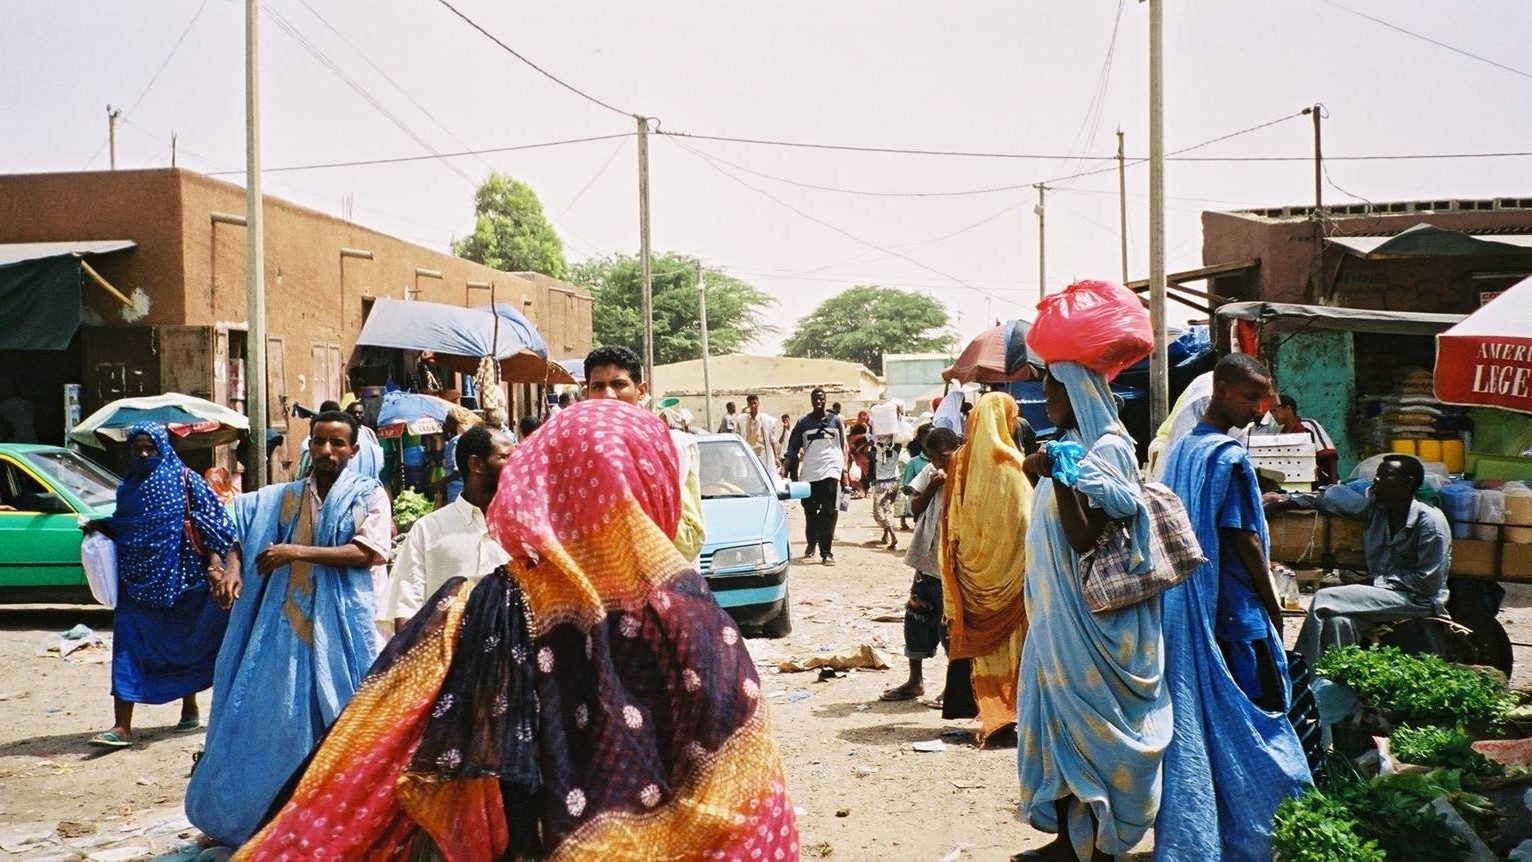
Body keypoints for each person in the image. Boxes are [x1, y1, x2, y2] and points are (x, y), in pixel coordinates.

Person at [237, 399, 799, 860]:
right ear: (653, 480)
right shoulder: (695, 615)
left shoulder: (485, 603)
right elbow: (748, 795)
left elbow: (372, 749)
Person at [185, 409, 391, 848]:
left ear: (353, 450)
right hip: (287, 629)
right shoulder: (284, 497)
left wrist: (295, 551)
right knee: (274, 721)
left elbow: (366, 552)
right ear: (309, 445)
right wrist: (232, 570)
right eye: (319, 441)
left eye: (338, 443)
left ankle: (341, 821)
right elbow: (244, 532)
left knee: (344, 720)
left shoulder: (367, 496)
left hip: (348, 628)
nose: (327, 451)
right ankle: (258, 816)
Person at [1156, 353, 1311, 860]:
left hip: (1193, 609)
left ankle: (1214, 829)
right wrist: (1275, 609)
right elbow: (1245, 540)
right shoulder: (1228, 456)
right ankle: (1267, 830)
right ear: (1220, 389)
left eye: (1264, 397)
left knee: (1210, 721)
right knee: (1259, 720)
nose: (1260, 408)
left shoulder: (1183, 450)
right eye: (1250, 396)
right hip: (1238, 616)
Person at [1016, 363, 1171, 862]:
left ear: (1077, 393)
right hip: (1056, 619)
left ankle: (1103, 846)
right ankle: (1068, 841)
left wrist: (1059, 473)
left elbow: (1083, 535)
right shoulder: (1068, 445)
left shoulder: (1107, 450)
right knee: (1056, 722)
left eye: (1051, 394)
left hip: (1096, 624)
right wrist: (1042, 466)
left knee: (1096, 728)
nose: (1046, 405)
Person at [80, 423, 237, 749]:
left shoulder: (186, 480)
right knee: (129, 646)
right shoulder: (129, 487)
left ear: (163, 448)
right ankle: (121, 726)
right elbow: (127, 525)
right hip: (135, 584)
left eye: (149, 447)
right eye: (136, 448)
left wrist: (215, 565)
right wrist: (102, 527)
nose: (142, 454)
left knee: (184, 644)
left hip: (184, 579)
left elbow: (213, 524)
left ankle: (189, 706)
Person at [1268, 453, 1453, 667]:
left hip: (1417, 600)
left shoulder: (1431, 523)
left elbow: (1427, 584)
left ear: (1408, 483)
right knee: (1339, 622)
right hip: (1387, 594)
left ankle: (1296, 671)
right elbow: (1329, 500)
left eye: (1385, 476)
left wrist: (1375, 583)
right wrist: (1285, 501)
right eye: (1377, 475)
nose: (1376, 480)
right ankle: (1333, 681)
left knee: (1323, 598)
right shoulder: (1377, 509)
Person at [939, 392, 1032, 746]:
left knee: (982, 652)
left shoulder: (960, 461)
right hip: (1010, 576)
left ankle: (984, 709)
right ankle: (1007, 712)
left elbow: (950, 522)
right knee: (1010, 646)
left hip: (969, 574)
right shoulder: (1012, 464)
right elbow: (1026, 521)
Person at [584, 344, 705, 562]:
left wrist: (633, 502)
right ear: (586, 394)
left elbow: (691, 540)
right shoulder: (576, 453)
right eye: (598, 386)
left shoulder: (676, 447)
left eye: (619, 384)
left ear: (641, 391)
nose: (608, 395)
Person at [386, 425, 514, 631]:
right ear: (476, 465)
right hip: (446, 658)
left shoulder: (524, 529)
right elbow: (406, 609)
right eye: (506, 457)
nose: (517, 465)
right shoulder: (428, 530)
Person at [882, 426, 960, 703]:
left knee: (951, 629)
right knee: (915, 620)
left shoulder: (968, 472)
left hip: (953, 566)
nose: (939, 463)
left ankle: (955, 686)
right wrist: (934, 484)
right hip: (927, 561)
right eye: (933, 458)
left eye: (943, 457)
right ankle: (915, 681)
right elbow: (915, 507)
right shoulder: (931, 472)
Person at [782, 387, 850, 566]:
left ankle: (826, 552)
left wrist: (844, 472)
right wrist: (784, 468)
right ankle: (812, 542)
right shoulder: (803, 423)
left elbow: (843, 448)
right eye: (815, 399)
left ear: (826, 400)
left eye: (821, 399)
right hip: (811, 472)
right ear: (811, 401)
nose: (818, 401)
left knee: (828, 511)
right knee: (810, 511)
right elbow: (792, 448)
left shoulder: (835, 421)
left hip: (831, 470)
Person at [1267, 392, 1340, 486]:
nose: (1273, 416)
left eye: (1275, 411)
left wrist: (1333, 483)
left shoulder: (1309, 425)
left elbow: (1329, 454)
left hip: (1318, 481)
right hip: (1291, 481)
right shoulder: (1279, 432)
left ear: (1288, 409)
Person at [869, 434, 903, 550]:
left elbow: (867, 454)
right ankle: (886, 534)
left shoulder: (875, 451)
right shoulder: (896, 449)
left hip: (882, 483)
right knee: (888, 508)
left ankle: (893, 535)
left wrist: (870, 444)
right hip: (894, 482)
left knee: (880, 511)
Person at [897, 423, 932, 531]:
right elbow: (906, 485)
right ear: (921, 439)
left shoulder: (945, 460)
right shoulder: (914, 462)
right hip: (921, 507)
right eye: (928, 437)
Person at [740, 393, 781, 474]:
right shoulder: (743, 419)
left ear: (758, 403)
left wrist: (776, 457)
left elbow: (772, 439)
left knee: (763, 475)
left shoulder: (765, 420)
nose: (753, 406)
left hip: (762, 455)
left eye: (755, 403)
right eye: (750, 404)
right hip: (749, 455)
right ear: (748, 405)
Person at [847, 410, 874, 498]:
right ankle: (859, 490)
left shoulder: (867, 427)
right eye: (863, 416)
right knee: (858, 472)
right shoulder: (856, 427)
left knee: (865, 472)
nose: (865, 418)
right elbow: (851, 439)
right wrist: (863, 436)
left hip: (865, 453)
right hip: (857, 454)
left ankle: (864, 490)